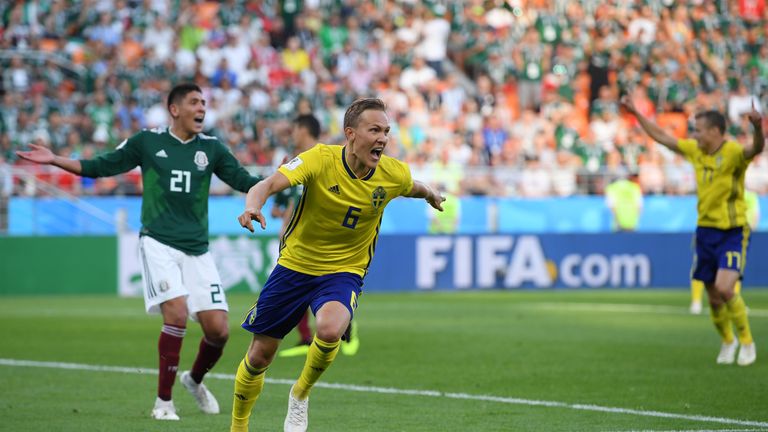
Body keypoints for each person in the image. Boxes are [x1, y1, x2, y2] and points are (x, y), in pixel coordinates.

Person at [16, 83, 263, 419]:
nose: (202, 108)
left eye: (204, 102)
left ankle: (194, 379)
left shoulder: (213, 149)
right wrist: (56, 160)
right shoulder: (148, 141)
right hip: (158, 242)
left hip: (197, 249)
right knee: (175, 315)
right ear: (174, 109)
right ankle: (163, 403)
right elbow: (102, 166)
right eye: (194, 102)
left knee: (219, 330)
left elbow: (244, 179)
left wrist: (281, 177)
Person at [230, 98, 445, 432]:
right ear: (350, 134)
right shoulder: (320, 158)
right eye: (374, 130)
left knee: (330, 329)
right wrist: (251, 205)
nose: (382, 138)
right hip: (295, 266)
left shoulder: (392, 173)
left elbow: (410, 186)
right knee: (260, 356)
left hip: (344, 270)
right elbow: (269, 183)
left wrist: (430, 193)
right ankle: (238, 425)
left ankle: (300, 395)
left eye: (386, 131)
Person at [621, 96, 763, 366]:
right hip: (705, 230)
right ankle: (727, 341)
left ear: (715, 131)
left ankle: (746, 342)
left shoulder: (732, 153)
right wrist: (637, 113)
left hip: (732, 230)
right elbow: (663, 137)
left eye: (698, 130)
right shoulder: (696, 151)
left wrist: (758, 127)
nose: (694, 135)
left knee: (725, 287)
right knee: (712, 295)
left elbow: (755, 149)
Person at [270, 114, 361, 359]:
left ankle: (343, 324)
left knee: (323, 286)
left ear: (303, 130)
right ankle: (305, 336)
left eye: (295, 129)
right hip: (294, 240)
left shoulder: (328, 158)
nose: (292, 135)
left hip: (324, 239)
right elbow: (277, 207)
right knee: (297, 286)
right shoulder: (292, 163)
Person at [690, 188, 760, 314]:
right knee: (702, 269)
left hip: (735, 234)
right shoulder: (714, 189)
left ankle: (732, 302)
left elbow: (754, 214)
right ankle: (696, 301)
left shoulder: (749, 195)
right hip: (709, 232)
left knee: (732, 269)